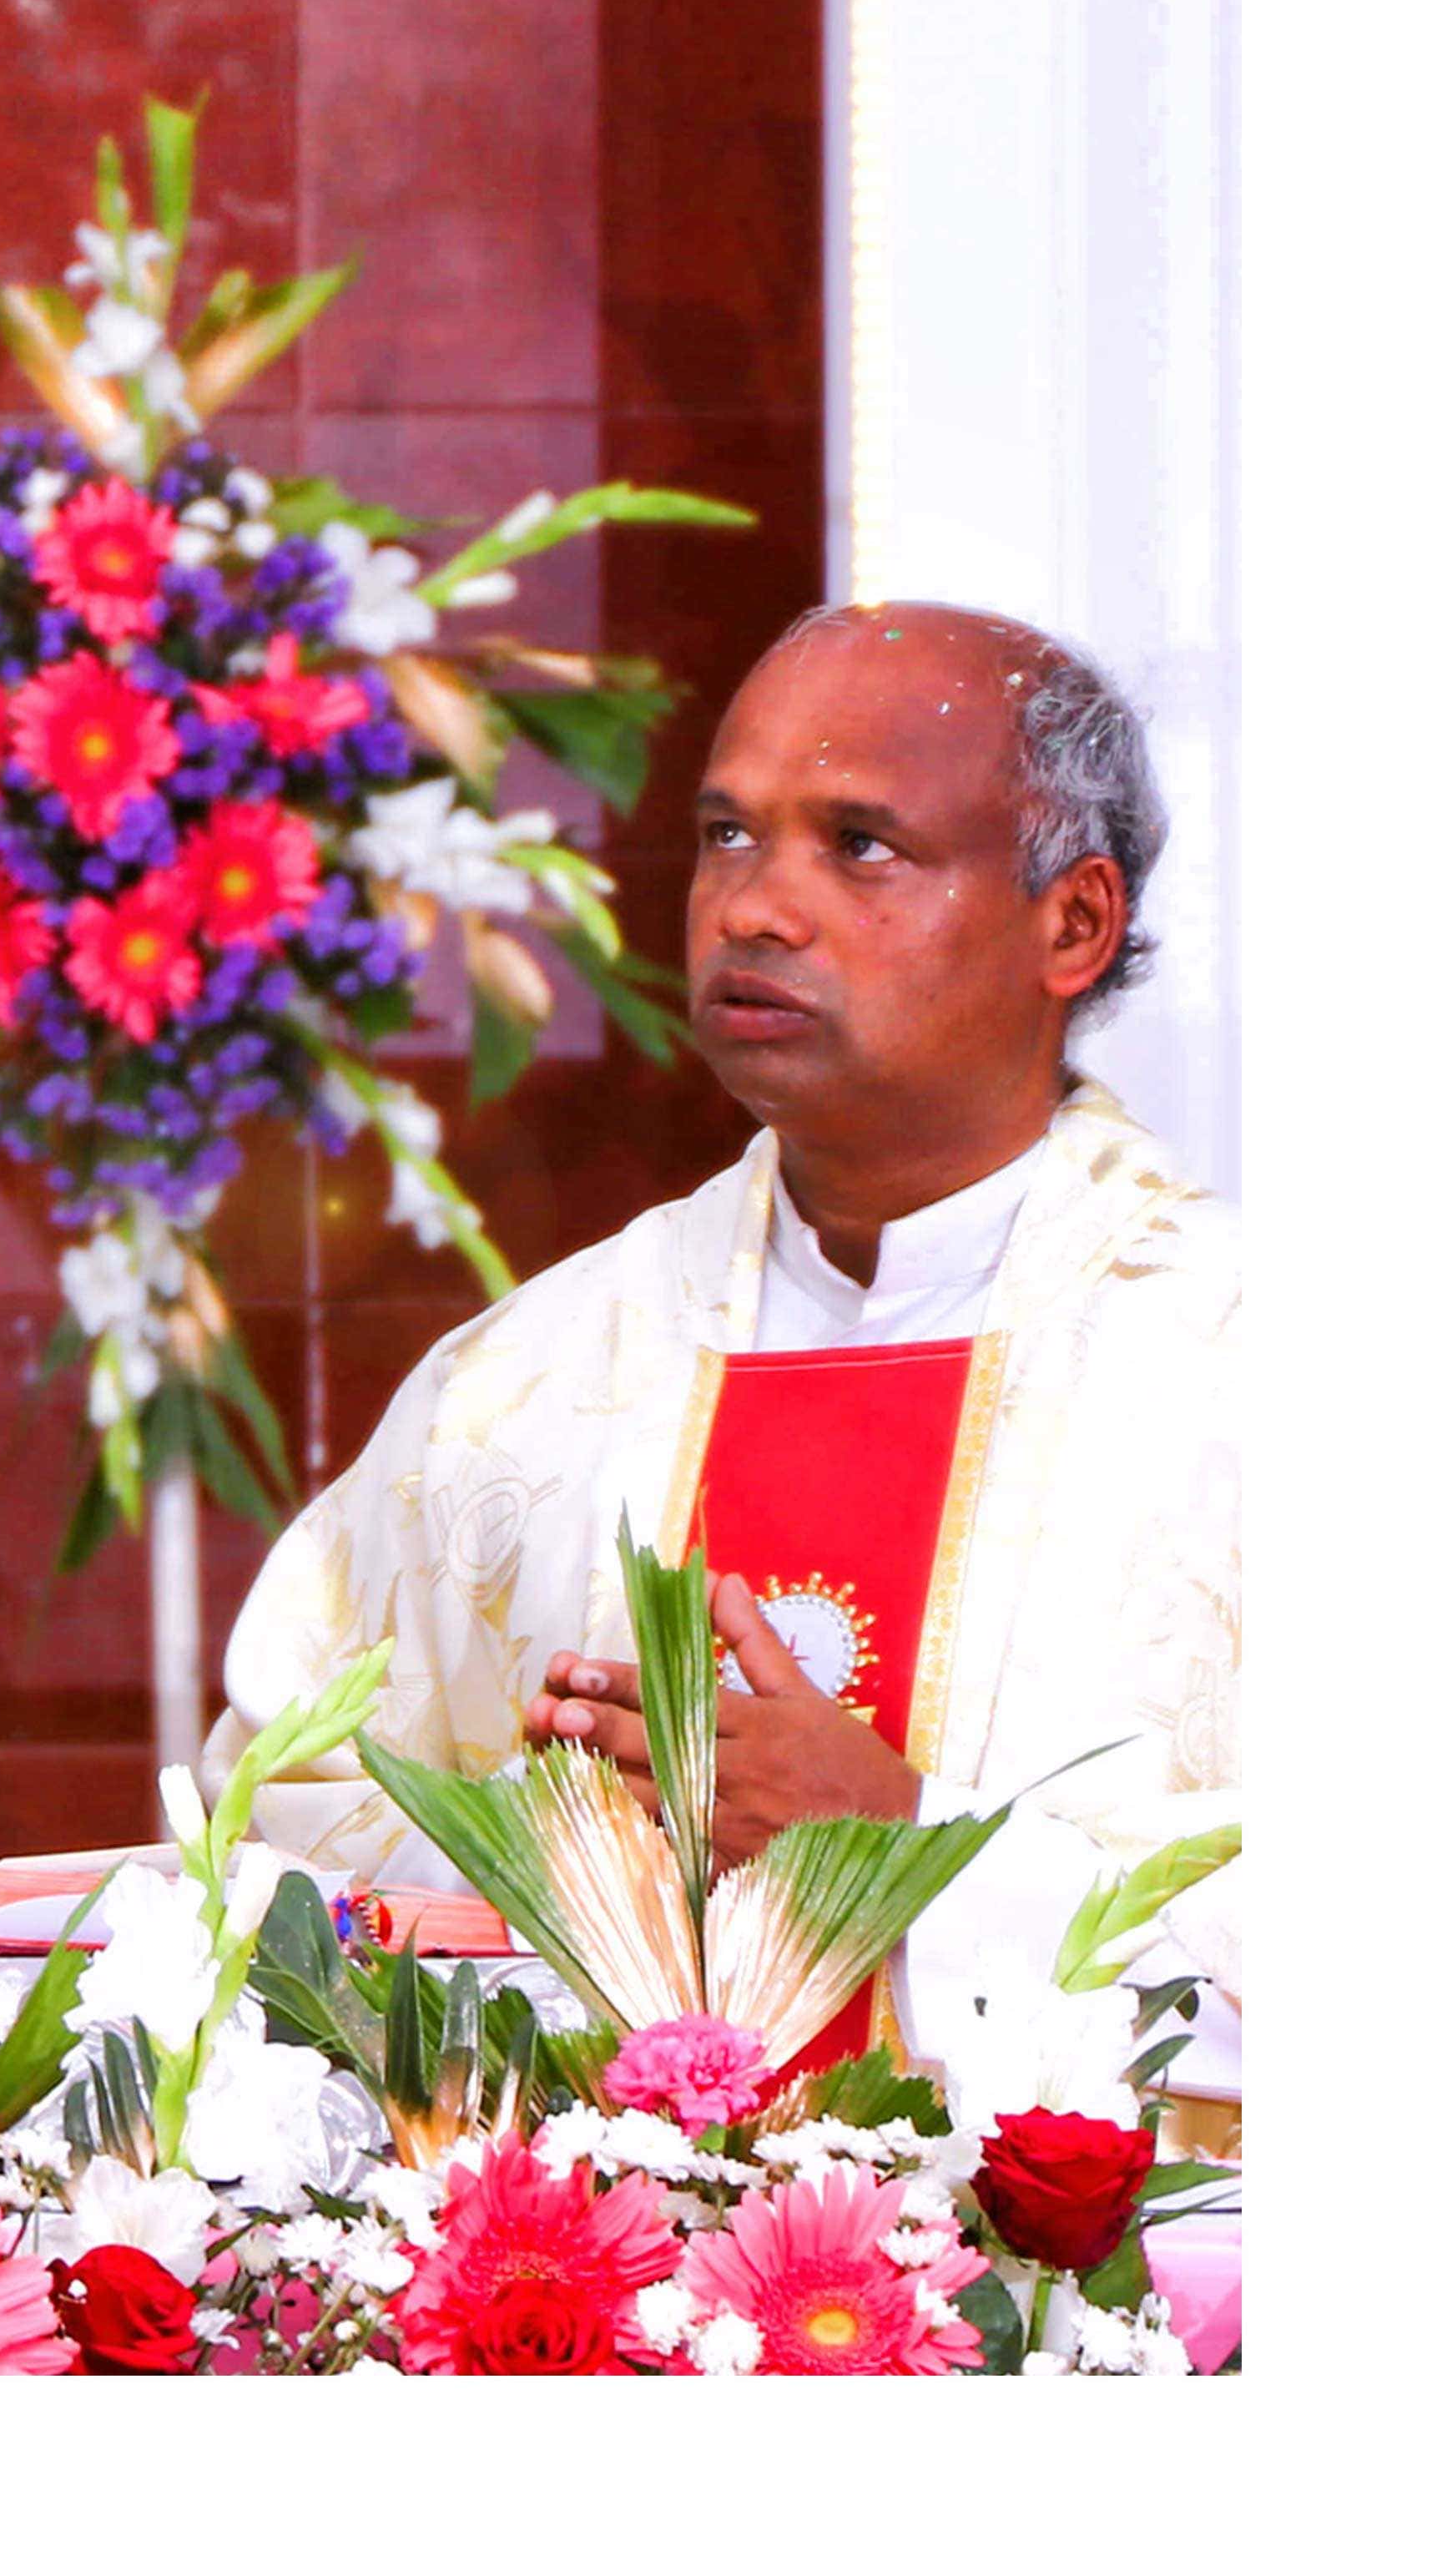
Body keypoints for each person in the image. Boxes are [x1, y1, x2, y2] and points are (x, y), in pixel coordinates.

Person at [204, 604, 1239, 2077]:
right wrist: (545, 1860)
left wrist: (904, 1855)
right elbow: (271, 1834)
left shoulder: (1247, 1373)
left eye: (860, 845)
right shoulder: (524, 1388)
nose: (756, 908)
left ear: (1072, 924)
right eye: (728, 836)